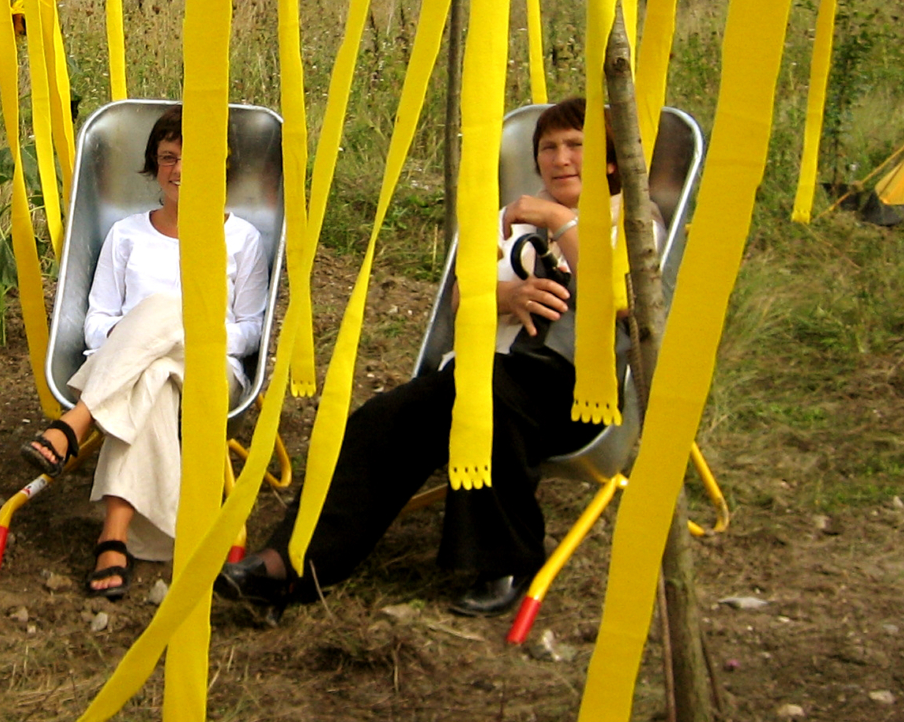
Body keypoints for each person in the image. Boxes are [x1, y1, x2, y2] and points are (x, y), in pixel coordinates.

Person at [220, 96, 654, 618]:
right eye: (548, 148)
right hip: (479, 370)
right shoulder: (510, 217)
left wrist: (561, 221)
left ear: (609, 159)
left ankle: (506, 561)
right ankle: (289, 564)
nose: (560, 159)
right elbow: (459, 297)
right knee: (381, 420)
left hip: (575, 391)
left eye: (576, 147)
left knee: (491, 397)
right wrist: (503, 298)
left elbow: (625, 300)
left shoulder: (630, 219)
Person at [18, 105, 269, 599]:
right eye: (168, 156)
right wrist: (146, 344)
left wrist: (189, 331)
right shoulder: (126, 235)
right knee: (152, 379)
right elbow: (95, 322)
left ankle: (77, 422)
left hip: (211, 370)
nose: (179, 169)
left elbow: (249, 330)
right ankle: (115, 535)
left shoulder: (241, 239)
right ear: (155, 166)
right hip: (130, 373)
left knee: (167, 309)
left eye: (191, 157)